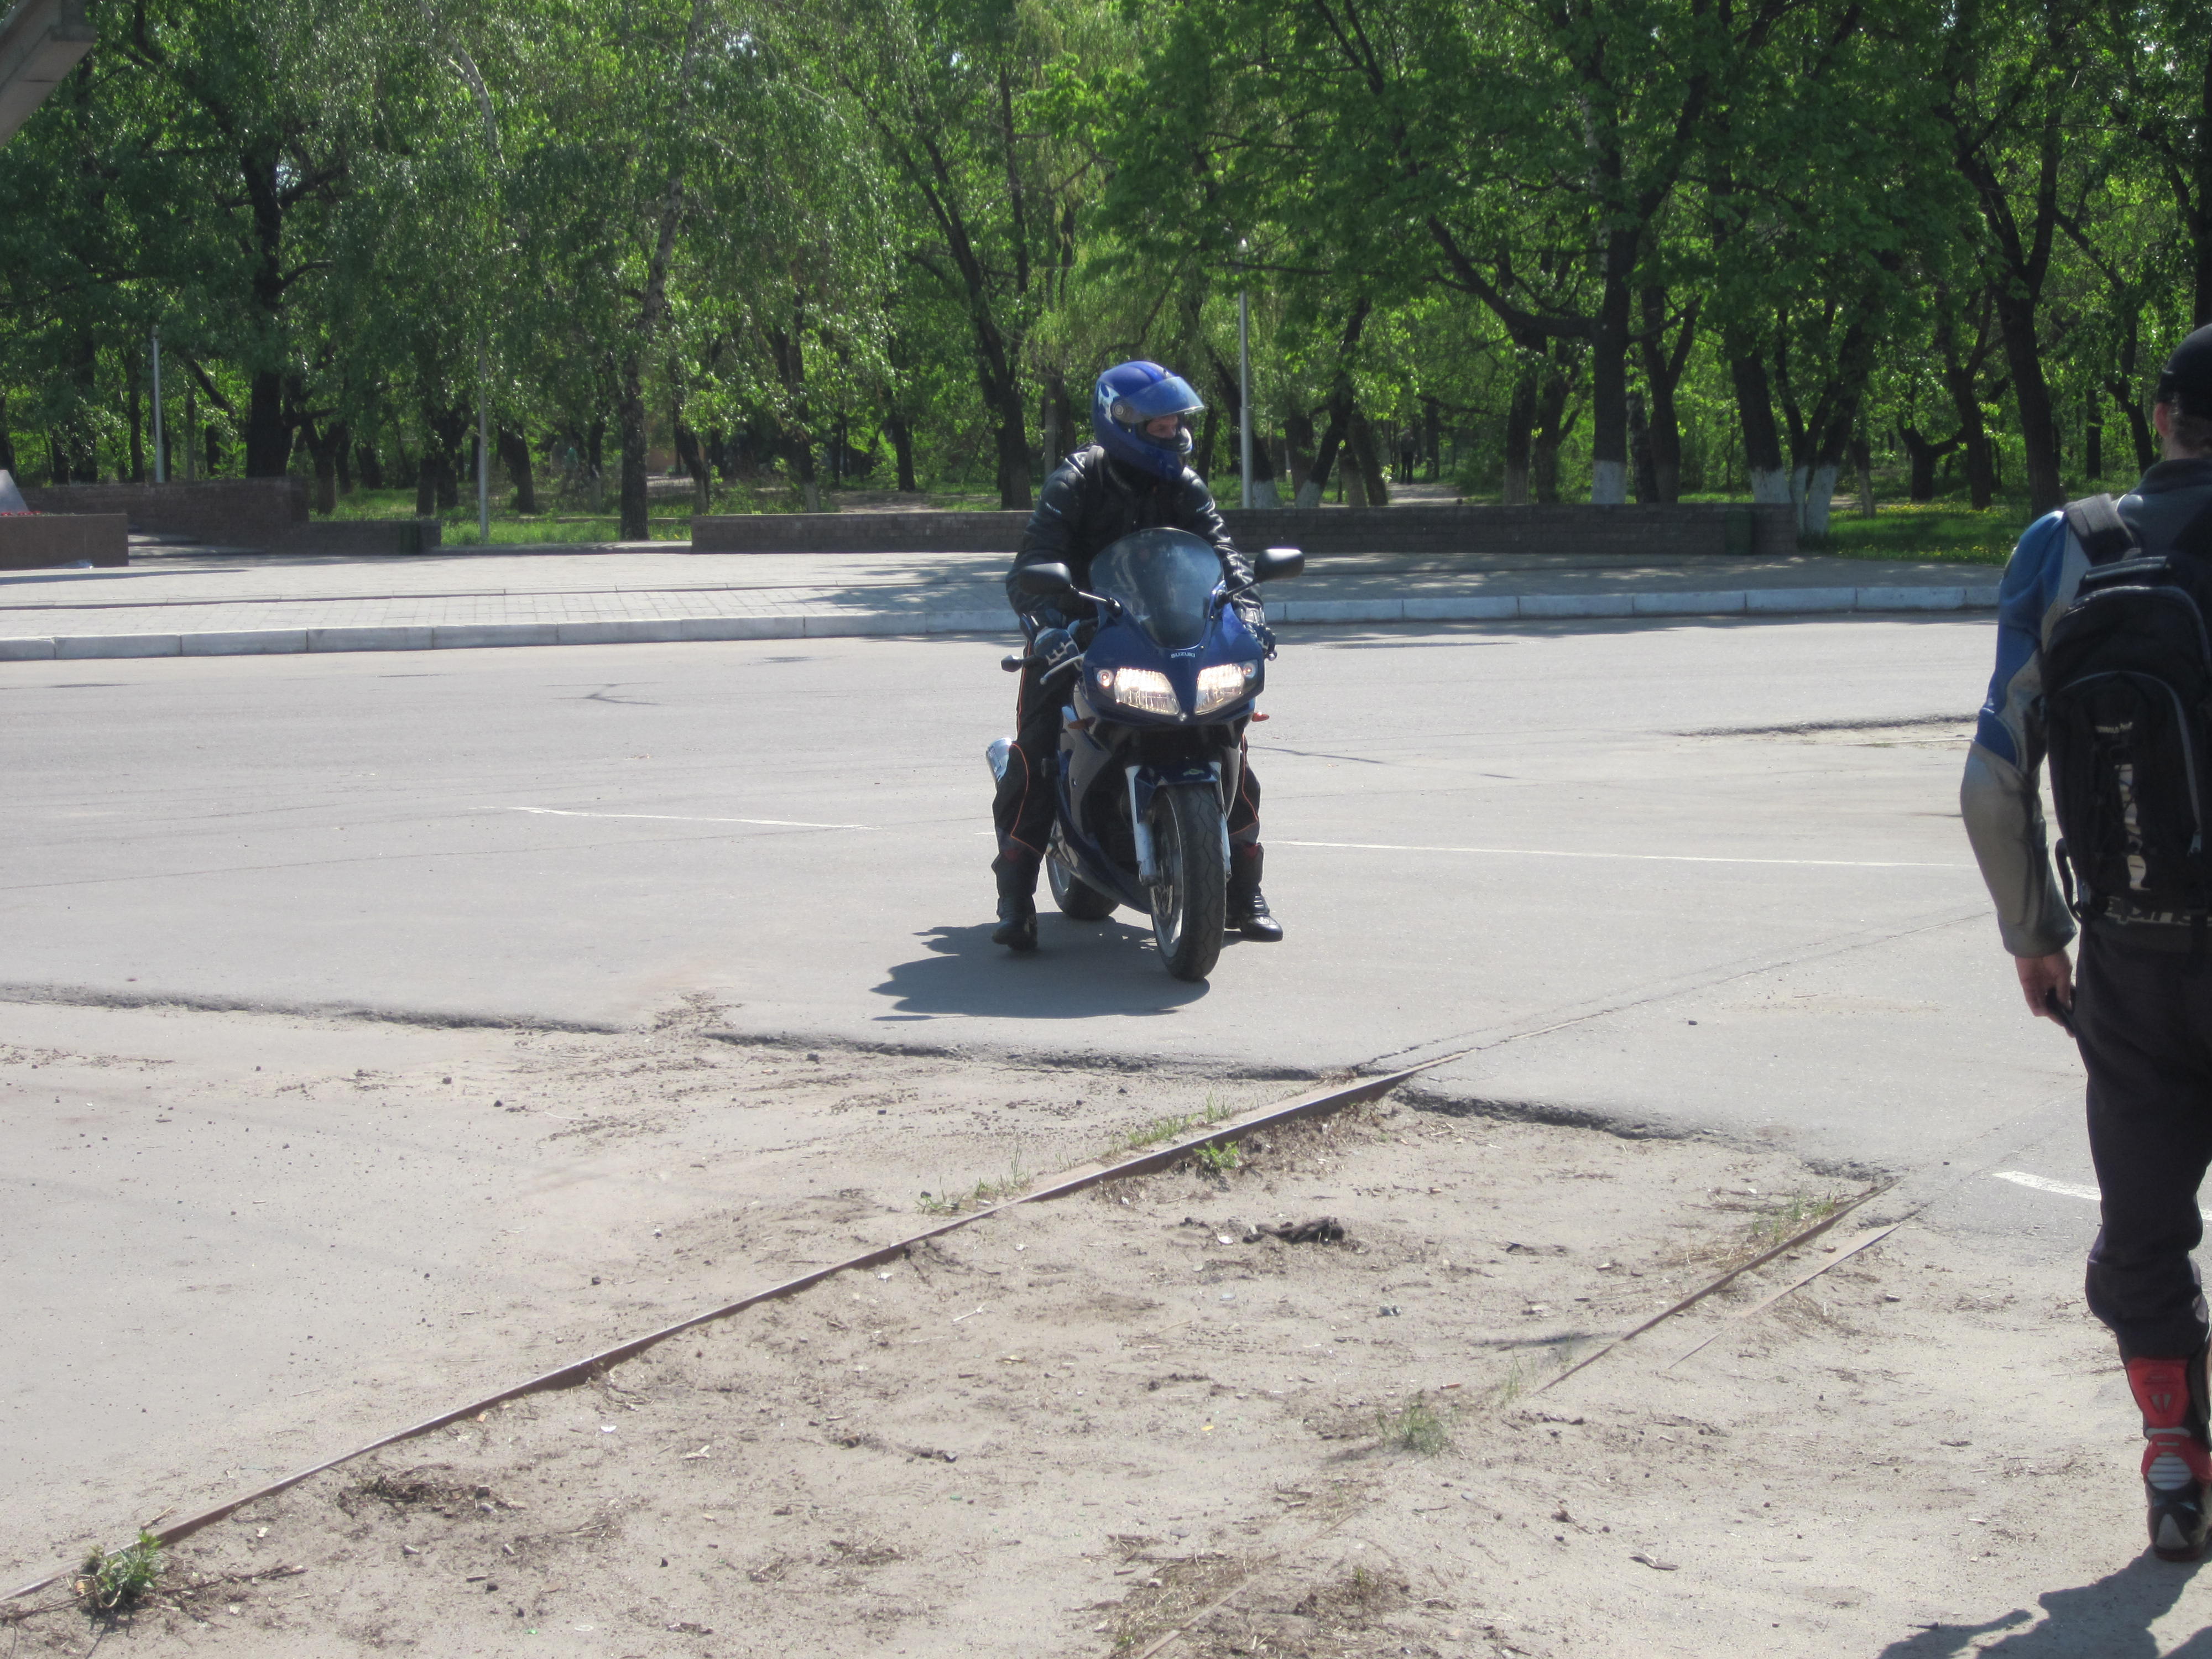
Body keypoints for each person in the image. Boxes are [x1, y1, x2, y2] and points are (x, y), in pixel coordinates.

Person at [1963, 321, 2212, 1562]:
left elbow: (1990, 780)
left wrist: (2035, 934)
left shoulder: (2065, 546)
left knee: (2144, 1221)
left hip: (2134, 950)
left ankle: (2173, 1462)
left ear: (2160, 418)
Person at [988, 359, 1282, 952]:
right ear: (1121, 423)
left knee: (1229, 736)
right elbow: (1029, 570)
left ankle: (1246, 888)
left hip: (1168, 636)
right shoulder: (1076, 481)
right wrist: (1046, 627)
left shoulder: (1185, 485)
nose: (1174, 433)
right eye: (1160, 426)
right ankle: (1015, 896)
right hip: (1079, 637)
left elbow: (1225, 556)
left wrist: (1250, 613)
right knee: (1039, 751)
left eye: (1176, 423)